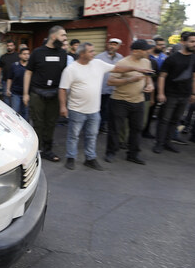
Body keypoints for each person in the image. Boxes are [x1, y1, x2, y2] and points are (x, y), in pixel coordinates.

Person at [59, 42, 153, 171]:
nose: (94, 53)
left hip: (94, 110)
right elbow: (63, 89)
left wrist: (137, 69)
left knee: (92, 135)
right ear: (82, 54)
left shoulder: (98, 64)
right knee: (73, 136)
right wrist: (63, 107)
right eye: (90, 51)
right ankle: (71, 158)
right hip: (77, 110)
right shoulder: (71, 69)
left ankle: (90, 158)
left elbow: (118, 69)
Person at [104, 40, 155, 165]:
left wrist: (150, 85)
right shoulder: (122, 63)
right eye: (145, 49)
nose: (148, 51)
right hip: (120, 101)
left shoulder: (146, 61)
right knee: (115, 129)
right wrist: (131, 79)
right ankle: (111, 152)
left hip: (138, 101)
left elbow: (148, 77)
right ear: (136, 51)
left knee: (137, 129)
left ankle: (133, 154)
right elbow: (110, 82)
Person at [23, 25, 68, 162]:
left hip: (54, 95)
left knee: (50, 123)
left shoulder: (63, 54)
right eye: (63, 36)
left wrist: (63, 100)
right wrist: (26, 93)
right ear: (53, 36)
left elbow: (65, 75)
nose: (65, 39)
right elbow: (28, 72)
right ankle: (36, 149)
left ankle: (47, 150)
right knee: (38, 123)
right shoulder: (37, 52)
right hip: (37, 94)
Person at [153, 31, 195, 153]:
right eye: (192, 41)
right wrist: (161, 93)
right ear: (183, 42)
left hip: (185, 95)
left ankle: (168, 142)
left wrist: (193, 93)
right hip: (170, 95)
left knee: (175, 120)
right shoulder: (172, 58)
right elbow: (162, 76)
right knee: (164, 119)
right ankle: (159, 143)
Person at [96, 38, 124, 133]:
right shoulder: (99, 57)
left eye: (115, 45)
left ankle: (102, 125)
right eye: (111, 44)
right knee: (99, 108)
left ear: (118, 47)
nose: (112, 46)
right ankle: (96, 126)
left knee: (108, 109)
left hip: (113, 89)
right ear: (108, 45)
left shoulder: (120, 58)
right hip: (100, 88)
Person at [5, 48, 30, 121]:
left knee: (25, 113)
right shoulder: (14, 65)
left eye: (28, 54)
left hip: (26, 94)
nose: (26, 56)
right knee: (14, 112)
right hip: (15, 93)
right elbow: (10, 78)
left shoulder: (30, 67)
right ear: (20, 55)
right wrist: (8, 89)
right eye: (24, 54)